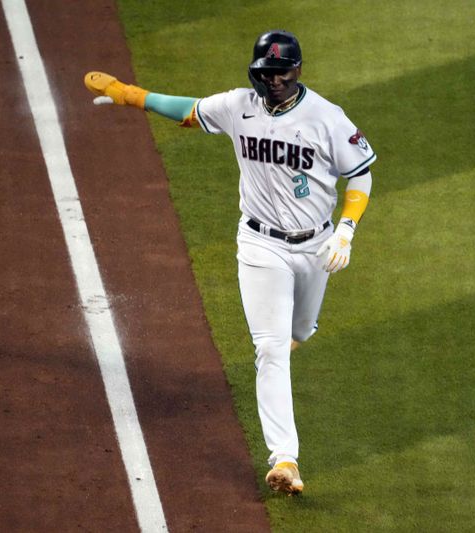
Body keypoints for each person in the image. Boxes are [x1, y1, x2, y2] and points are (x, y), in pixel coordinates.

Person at [85, 29, 375, 495]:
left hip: (316, 249)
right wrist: (128, 94)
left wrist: (347, 229)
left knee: (300, 331)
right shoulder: (239, 105)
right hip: (260, 246)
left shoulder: (327, 119)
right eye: (266, 73)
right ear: (255, 73)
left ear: (297, 70)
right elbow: (189, 110)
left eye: (282, 72)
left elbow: (360, 174)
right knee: (270, 349)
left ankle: (296, 335)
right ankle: (285, 459)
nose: (274, 80)